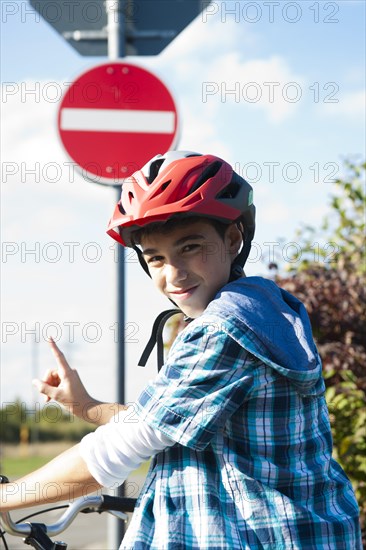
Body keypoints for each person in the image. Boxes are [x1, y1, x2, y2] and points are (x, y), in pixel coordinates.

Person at [1, 151, 362, 549]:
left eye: (189, 247)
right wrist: (87, 406)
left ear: (232, 238)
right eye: (156, 258)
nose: (173, 275)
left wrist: (6, 497)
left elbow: (115, 452)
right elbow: (167, 426)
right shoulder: (266, 309)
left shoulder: (227, 328)